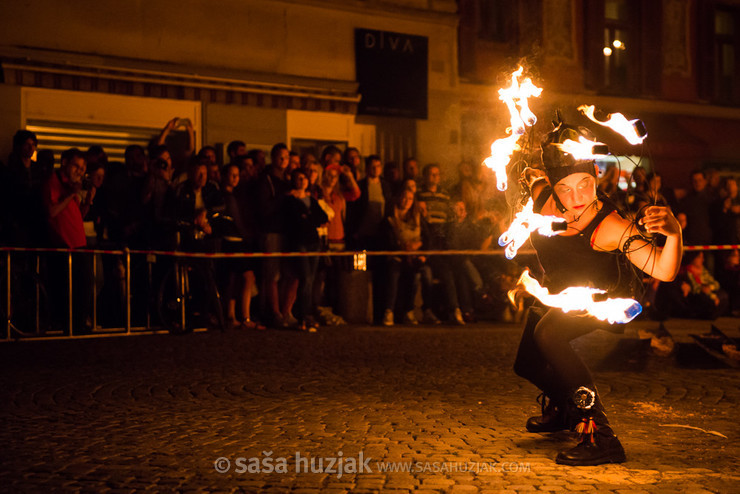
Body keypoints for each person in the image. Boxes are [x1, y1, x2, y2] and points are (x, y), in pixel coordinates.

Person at [512, 118, 682, 466]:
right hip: (560, 294)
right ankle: (565, 409)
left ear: (596, 178)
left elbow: (664, 270)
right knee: (526, 363)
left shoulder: (609, 225)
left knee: (550, 333)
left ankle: (601, 437)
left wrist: (675, 233)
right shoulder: (542, 194)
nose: (577, 198)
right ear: (554, 187)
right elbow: (530, 174)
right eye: (566, 189)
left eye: (586, 184)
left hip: (607, 299)